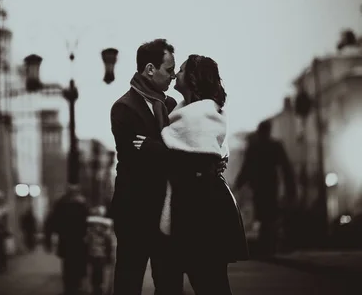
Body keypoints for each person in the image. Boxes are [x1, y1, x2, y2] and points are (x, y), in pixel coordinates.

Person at [109, 39, 227, 295]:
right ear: (150, 69)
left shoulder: (173, 106)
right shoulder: (123, 108)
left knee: (169, 285)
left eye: (176, 70)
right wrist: (191, 159)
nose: (174, 75)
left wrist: (211, 159)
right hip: (136, 211)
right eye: (169, 69)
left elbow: (194, 143)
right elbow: (139, 161)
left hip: (170, 213)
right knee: (128, 283)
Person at [133, 54, 249, 295]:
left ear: (194, 78)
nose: (176, 74)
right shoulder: (187, 111)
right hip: (192, 210)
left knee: (210, 284)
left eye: (183, 70)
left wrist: (152, 147)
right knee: (195, 283)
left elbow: (195, 157)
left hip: (204, 213)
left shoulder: (201, 114)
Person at [235, 119, 296, 256]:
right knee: (269, 215)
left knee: (264, 215)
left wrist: (239, 184)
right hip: (270, 184)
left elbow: (246, 167)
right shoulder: (275, 146)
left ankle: (266, 246)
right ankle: (269, 246)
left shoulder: (255, 147)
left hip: (260, 185)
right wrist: (290, 187)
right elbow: (286, 168)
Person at [44, 184, 89, 295]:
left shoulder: (60, 203)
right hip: (79, 240)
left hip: (65, 239)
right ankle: (76, 285)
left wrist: (48, 240)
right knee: (77, 263)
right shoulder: (82, 204)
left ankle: (69, 287)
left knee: (68, 264)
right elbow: (87, 222)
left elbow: (51, 222)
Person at [85, 205, 114, 295]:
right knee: (98, 272)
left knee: (97, 272)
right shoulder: (105, 230)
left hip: (96, 254)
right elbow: (108, 243)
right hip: (99, 255)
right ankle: (98, 288)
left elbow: (87, 242)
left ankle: (97, 288)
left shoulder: (91, 230)